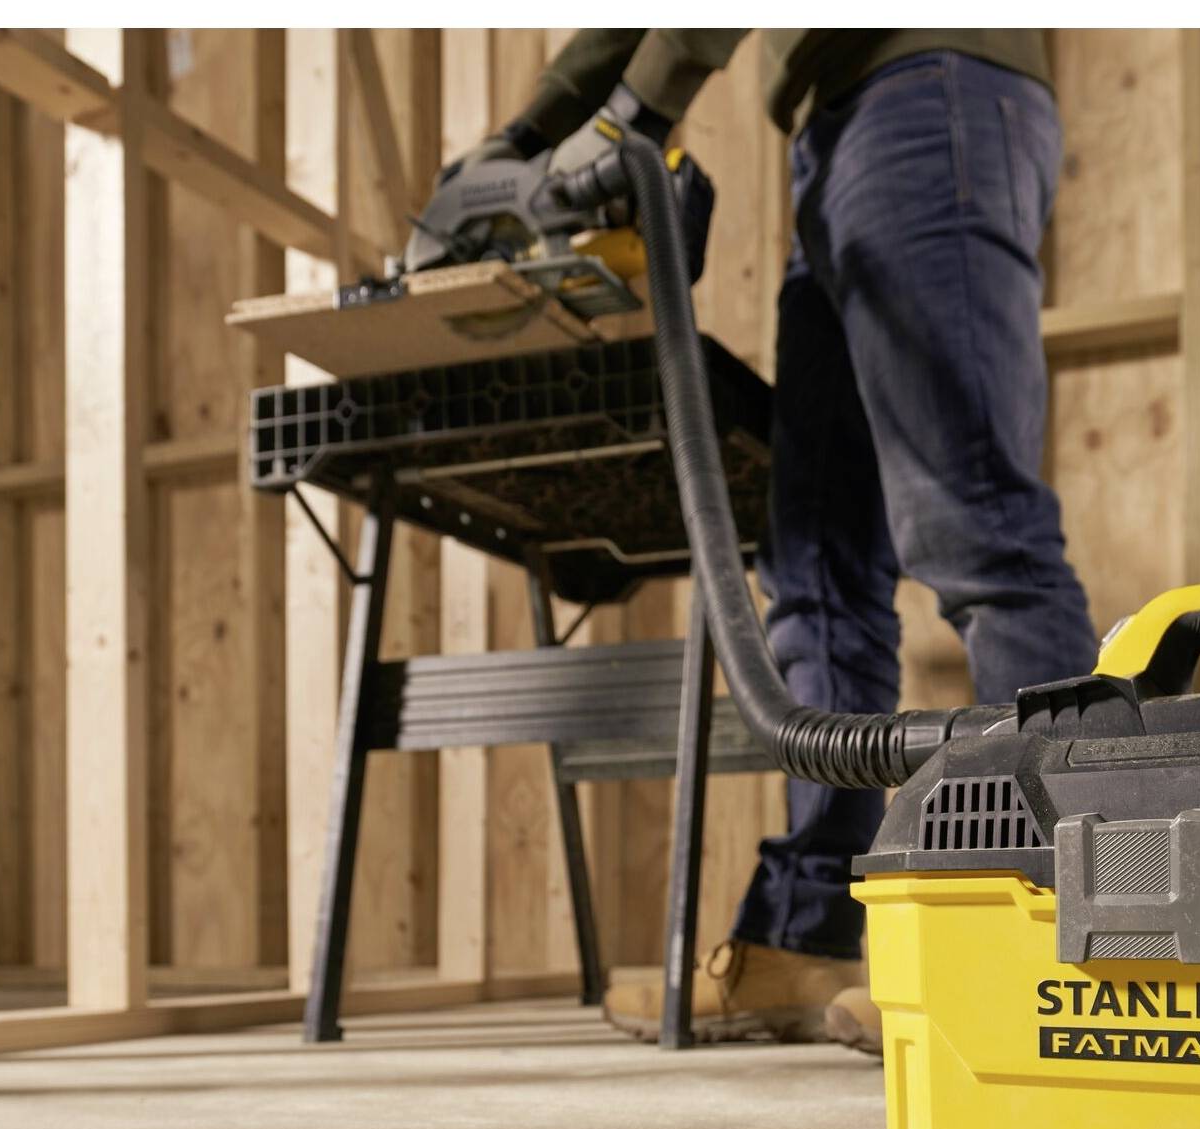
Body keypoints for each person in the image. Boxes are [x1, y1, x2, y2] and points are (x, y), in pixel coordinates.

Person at [435, 30, 1098, 1053]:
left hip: (931, 84)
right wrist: (525, 136)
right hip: (836, 124)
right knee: (819, 569)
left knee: (975, 530)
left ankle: (1061, 950)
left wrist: (635, 114)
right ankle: (808, 942)